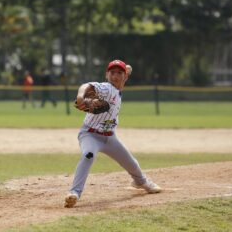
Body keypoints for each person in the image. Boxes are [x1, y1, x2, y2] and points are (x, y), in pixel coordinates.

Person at [64, 59, 161, 208]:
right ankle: (74, 193)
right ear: (106, 75)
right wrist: (80, 96)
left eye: (119, 73)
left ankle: (141, 182)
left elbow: (122, 77)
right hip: (90, 135)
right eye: (112, 73)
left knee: (132, 163)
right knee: (88, 154)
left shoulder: (118, 87)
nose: (115, 76)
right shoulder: (107, 88)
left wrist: (126, 71)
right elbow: (87, 85)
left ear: (125, 77)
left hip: (110, 138)